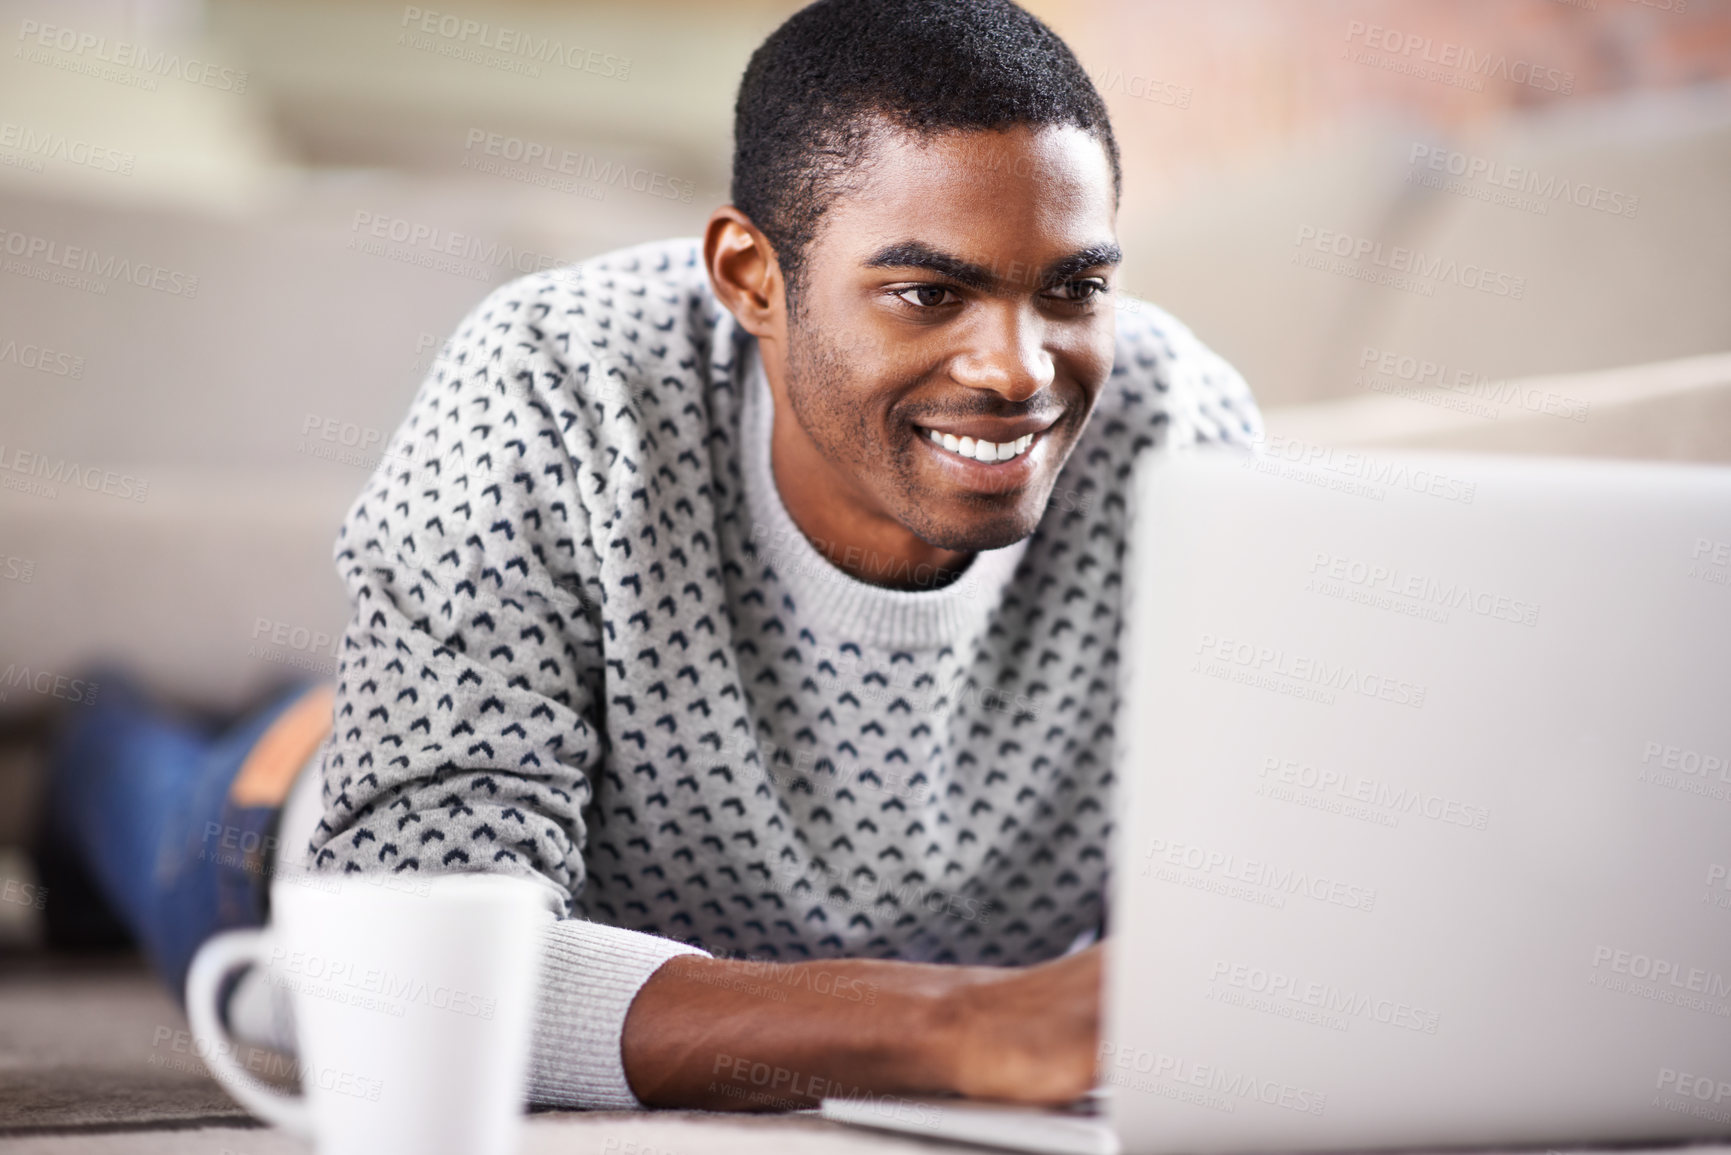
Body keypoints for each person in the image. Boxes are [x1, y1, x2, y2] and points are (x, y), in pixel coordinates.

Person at [39, 0, 1262, 1115]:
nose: (1018, 369)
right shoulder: (554, 382)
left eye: (1072, 288)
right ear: (751, 277)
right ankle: (103, 734)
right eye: (927, 295)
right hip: (274, 852)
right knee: (139, 792)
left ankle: (290, 710)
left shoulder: (1185, 427)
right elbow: (407, 950)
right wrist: (945, 1025)